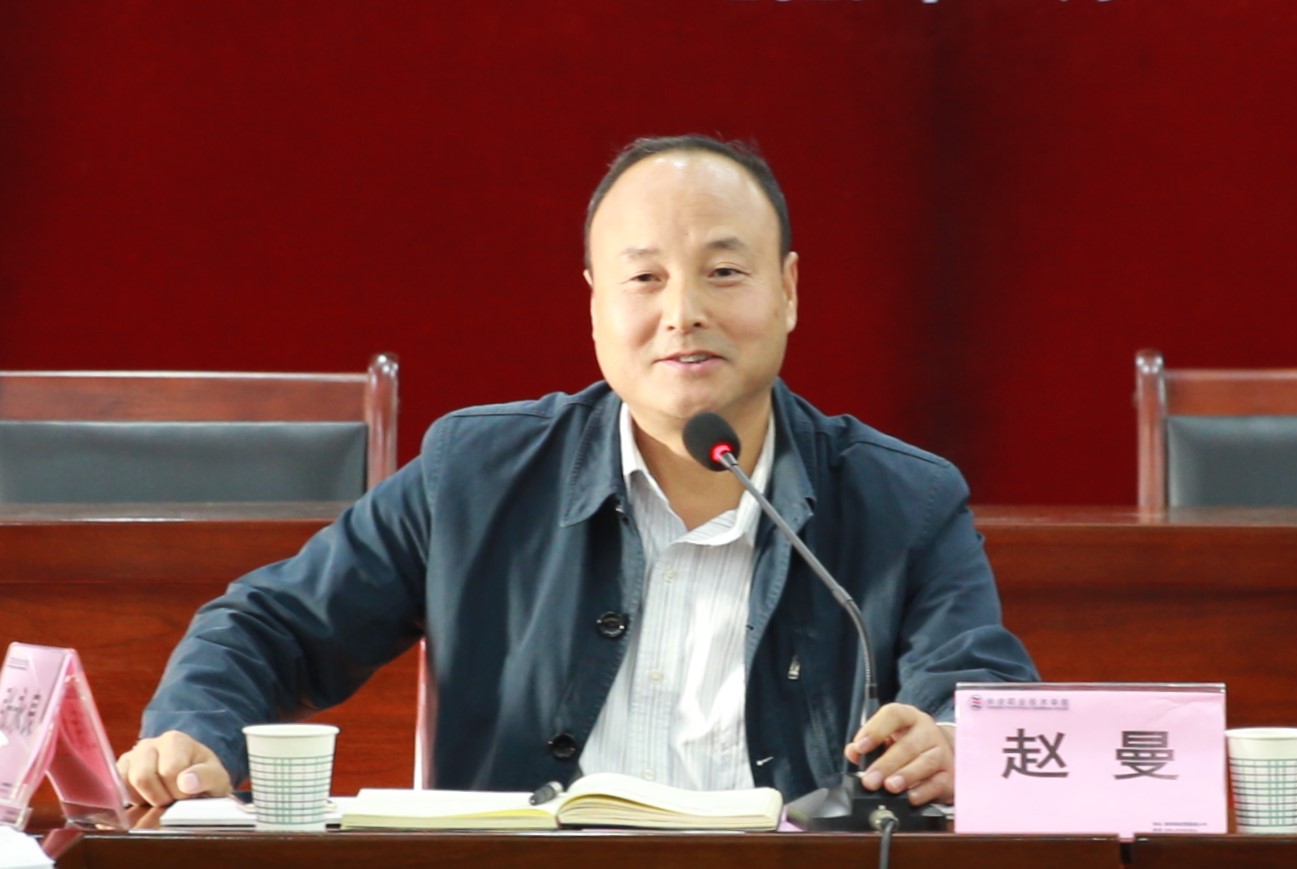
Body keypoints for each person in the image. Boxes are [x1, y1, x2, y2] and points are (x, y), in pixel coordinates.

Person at [117, 134, 1037, 809]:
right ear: (594, 302)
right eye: (644, 278)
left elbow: (979, 695)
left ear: (789, 290)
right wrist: (198, 733)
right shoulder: (476, 473)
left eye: (723, 272)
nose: (682, 311)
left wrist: (954, 742)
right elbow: (269, 625)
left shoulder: (903, 500)